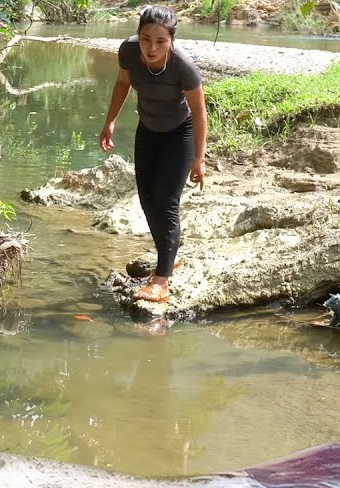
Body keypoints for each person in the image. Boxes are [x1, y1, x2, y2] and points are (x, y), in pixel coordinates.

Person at [100, 6, 208, 304]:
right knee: (147, 200)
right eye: (146, 38)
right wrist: (110, 121)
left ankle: (161, 282)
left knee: (165, 201)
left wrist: (199, 158)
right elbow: (123, 83)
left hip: (179, 134)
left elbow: (199, 112)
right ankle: (168, 258)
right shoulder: (128, 51)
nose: (151, 47)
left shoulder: (183, 67)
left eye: (160, 41)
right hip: (147, 130)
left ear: (171, 40)